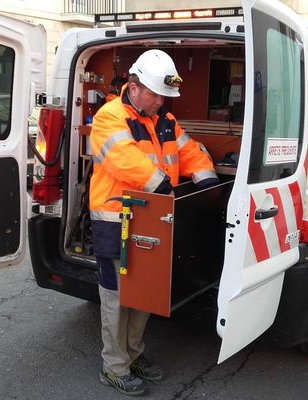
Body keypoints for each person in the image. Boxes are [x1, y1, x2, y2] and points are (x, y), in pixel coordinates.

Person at [89, 49, 219, 396]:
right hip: (117, 221)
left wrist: (207, 182)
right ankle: (114, 367)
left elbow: (190, 150)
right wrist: (163, 186)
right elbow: (124, 159)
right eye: (155, 93)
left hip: (153, 219)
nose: (161, 100)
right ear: (134, 86)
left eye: (164, 95)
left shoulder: (164, 121)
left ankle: (133, 356)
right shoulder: (109, 117)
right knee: (117, 298)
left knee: (144, 294)